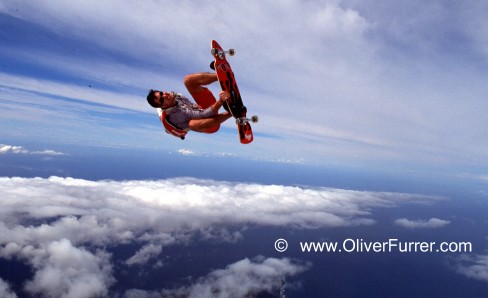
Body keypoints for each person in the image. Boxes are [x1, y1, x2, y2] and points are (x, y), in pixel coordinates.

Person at [146, 72, 232, 140]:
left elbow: (200, 110)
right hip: (210, 125)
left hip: (202, 109)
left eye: (161, 93)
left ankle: (222, 76)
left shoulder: (176, 96)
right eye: (162, 100)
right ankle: (232, 112)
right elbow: (203, 114)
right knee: (192, 124)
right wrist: (220, 101)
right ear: (164, 106)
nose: (164, 95)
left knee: (188, 80)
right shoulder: (177, 115)